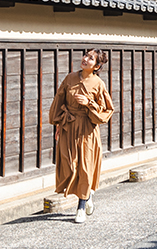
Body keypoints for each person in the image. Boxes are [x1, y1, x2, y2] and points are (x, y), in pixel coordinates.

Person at [49, 48, 114, 223]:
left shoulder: (98, 84)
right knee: (70, 165)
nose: (85, 59)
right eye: (86, 55)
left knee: (85, 166)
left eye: (90, 58)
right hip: (69, 127)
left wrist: (89, 103)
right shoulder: (70, 78)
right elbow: (59, 100)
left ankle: (81, 207)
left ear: (97, 66)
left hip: (87, 129)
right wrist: (58, 124)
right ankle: (88, 195)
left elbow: (107, 110)